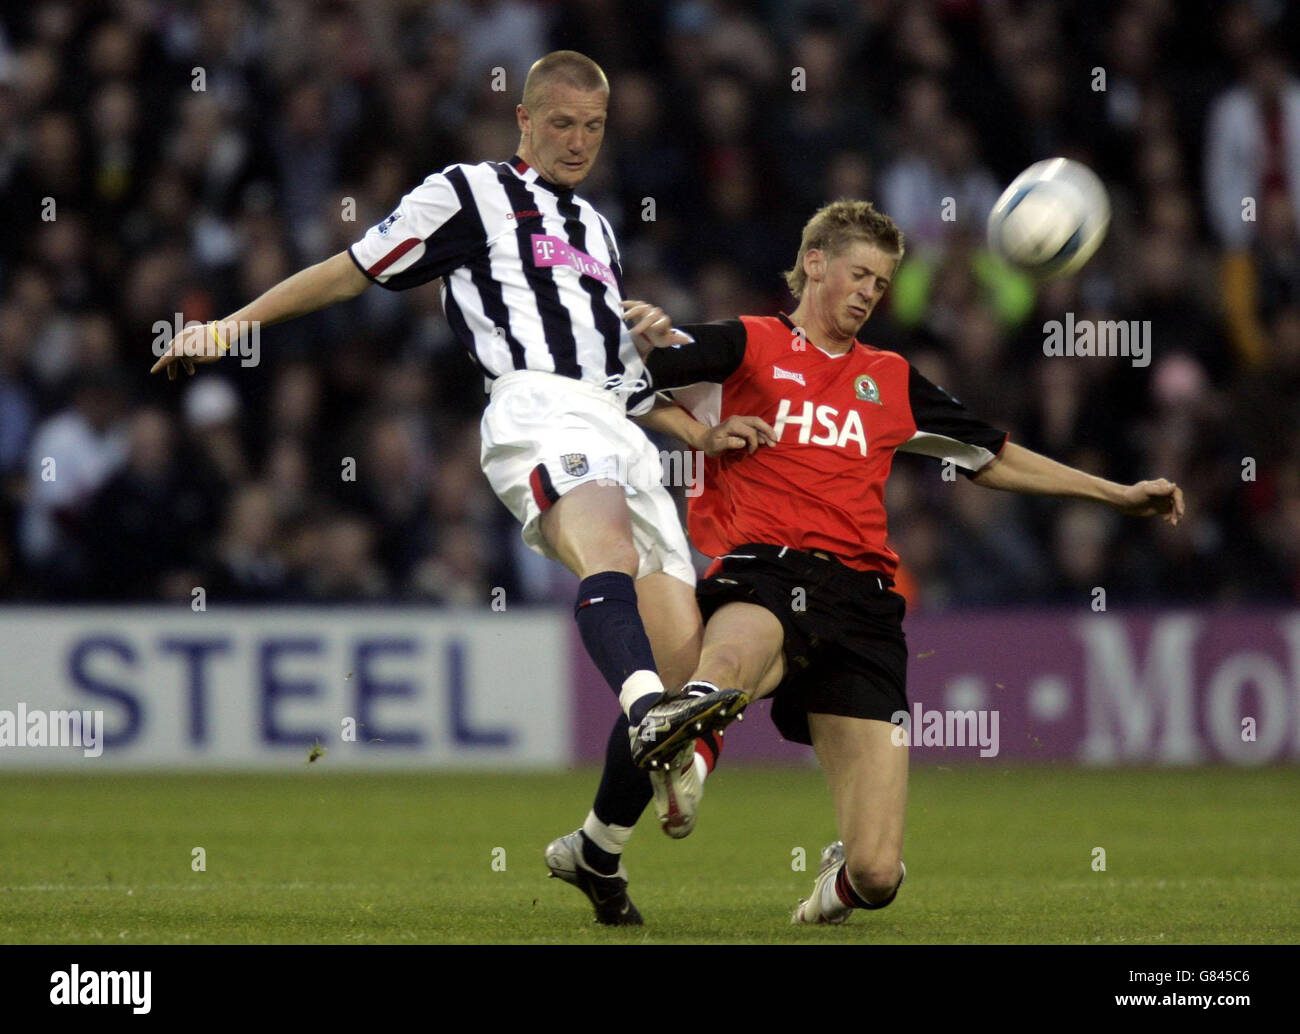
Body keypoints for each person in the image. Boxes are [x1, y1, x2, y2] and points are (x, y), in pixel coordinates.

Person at [150, 50, 758, 925]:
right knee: (613, 570)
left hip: (617, 426)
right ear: (523, 119)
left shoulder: (599, 230)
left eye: (593, 127)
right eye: (561, 124)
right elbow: (352, 266)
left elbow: (621, 379)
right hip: (534, 409)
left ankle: (597, 849)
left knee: (678, 650)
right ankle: (646, 713)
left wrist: (702, 431)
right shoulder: (468, 192)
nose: (579, 142)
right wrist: (230, 326)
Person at [590, 198, 1184, 924]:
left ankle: (797, 849)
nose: (871, 292)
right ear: (814, 264)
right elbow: (618, 381)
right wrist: (694, 426)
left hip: (864, 605)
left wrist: (1116, 494)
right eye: (860, 273)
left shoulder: (891, 378)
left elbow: (991, 456)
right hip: (767, 571)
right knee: (728, 669)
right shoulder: (746, 343)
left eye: (883, 281)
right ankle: (689, 753)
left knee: (879, 875)